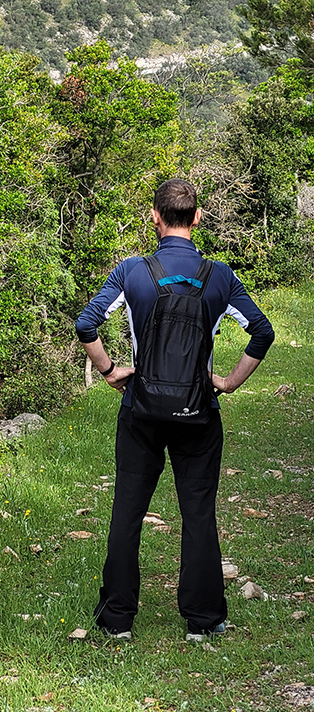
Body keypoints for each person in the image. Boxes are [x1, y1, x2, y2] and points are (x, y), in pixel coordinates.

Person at [75, 178, 275, 641]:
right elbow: (260, 333)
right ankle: (202, 622)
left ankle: (117, 619)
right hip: (198, 412)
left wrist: (109, 370)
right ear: (198, 217)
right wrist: (225, 382)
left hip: (141, 409)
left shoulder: (131, 270)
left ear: (155, 217)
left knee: (127, 511)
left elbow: (87, 323)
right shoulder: (220, 276)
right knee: (198, 512)